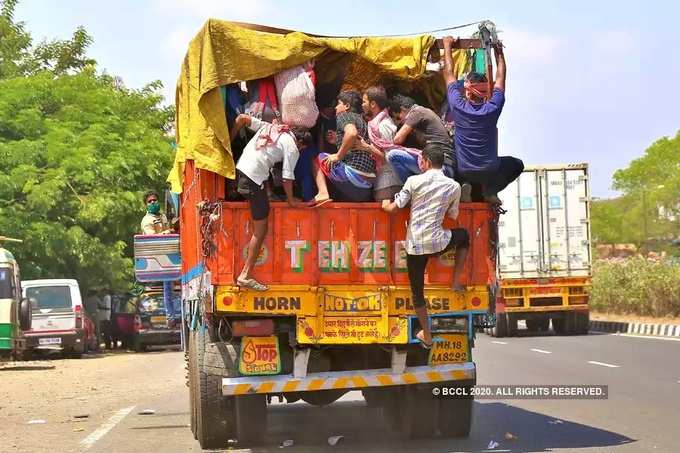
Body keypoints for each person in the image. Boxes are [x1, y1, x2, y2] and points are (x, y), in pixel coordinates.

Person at [381, 147, 470, 348]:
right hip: (439, 242)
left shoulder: (413, 181)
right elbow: (453, 216)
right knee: (464, 237)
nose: (419, 164)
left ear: (427, 162)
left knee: (417, 293)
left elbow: (394, 208)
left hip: (415, 247)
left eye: (421, 160)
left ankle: (427, 335)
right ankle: (455, 282)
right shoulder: (453, 186)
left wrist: (385, 202)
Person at [230, 113, 312, 291]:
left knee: (262, 203)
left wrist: (229, 141)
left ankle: (245, 273)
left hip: (241, 171)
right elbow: (287, 178)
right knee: (261, 229)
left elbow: (241, 118)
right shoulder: (292, 146)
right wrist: (291, 201)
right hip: (253, 179)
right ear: (301, 144)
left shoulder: (271, 127)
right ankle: (245, 275)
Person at [442, 36, 523, 205]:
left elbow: (449, 74)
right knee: (517, 164)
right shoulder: (493, 108)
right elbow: (501, 79)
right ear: (486, 92)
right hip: (489, 171)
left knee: (447, 157)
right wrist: (499, 53)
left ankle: (463, 184)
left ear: (468, 92)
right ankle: (490, 191)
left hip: (463, 170)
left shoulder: (458, 106)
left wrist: (447, 45)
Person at [313, 91, 377, 203]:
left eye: (338, 104)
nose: (336, 108)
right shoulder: (364, 121)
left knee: (317, 158)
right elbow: (357, 143)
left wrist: (338, 155)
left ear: (347, 106)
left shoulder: (344, 116)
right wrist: (337, 141)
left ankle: (323, 193)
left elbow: (351, 133)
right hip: (367, 187)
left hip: (353, 178)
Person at [387, 95, 457, 182]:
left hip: (439, 165)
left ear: (403, 109)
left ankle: (410, 190)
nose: (400, 122)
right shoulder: (426, 111)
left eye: (398, 118)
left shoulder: (416, 112)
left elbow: (397, 140)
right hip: (447, 165)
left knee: (393, 155)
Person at [360, 86, 403, 201]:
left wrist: (367, 148)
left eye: (364, 102)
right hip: (383, 180)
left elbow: (390, 157)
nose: (362, 105)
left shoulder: (384, 125)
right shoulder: (375, 123)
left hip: (389, 182)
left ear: (373, 104)